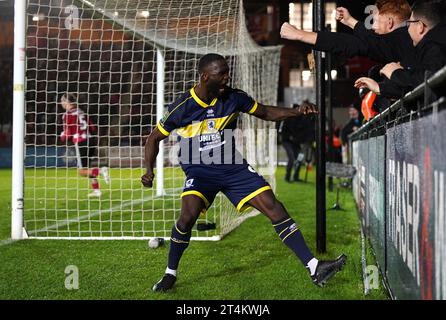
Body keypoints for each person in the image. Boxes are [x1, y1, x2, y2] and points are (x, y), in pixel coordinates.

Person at [142, 54, 347, 292]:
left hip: (232, 167)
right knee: (187, 216)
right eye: (222, 74)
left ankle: (314, 267)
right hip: (199, 169)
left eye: (228, 72)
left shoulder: (234, 97)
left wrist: (296, 111)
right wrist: (149, 170)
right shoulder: (182, 106)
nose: (227, 77)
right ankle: (170, 273)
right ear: (205, 76)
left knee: (274, 205)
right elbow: (154, 138)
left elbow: (265, 112)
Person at [280, 0, 415, 69]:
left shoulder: (403, 39)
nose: (373, 27)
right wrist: (350, 21)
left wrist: (300, 34)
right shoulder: (403, 38)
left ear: (389, 22)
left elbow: (350, 43)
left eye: (375, 21)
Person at [354, 0, 446, 99]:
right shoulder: (432, 45)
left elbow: (430, 83)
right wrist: (379, 88)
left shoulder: (435, 47)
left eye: (409, 24)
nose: (407, 29)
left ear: (420, 26)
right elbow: (417, 86)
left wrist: (396, 73)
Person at [60, 93, 110, 197]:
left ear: (67, 102)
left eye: (62, 101)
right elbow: (92, 128)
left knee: (82, 171)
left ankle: (101, 170)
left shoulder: (67, 115)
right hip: (90, 140)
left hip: (81, 141)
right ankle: (97, 191)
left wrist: (62, 136)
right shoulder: (82, 112)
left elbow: (68, 134)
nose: (61, 103)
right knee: (88, 168)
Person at [279, 104, 302, 182]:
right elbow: (282, 131)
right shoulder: (287, 119)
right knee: (291, 158)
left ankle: (296, 176)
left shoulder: (299, 119)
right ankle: (287, 176)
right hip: (287, 141)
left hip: (296, 142)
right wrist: (289, 136)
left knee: (300, 158)